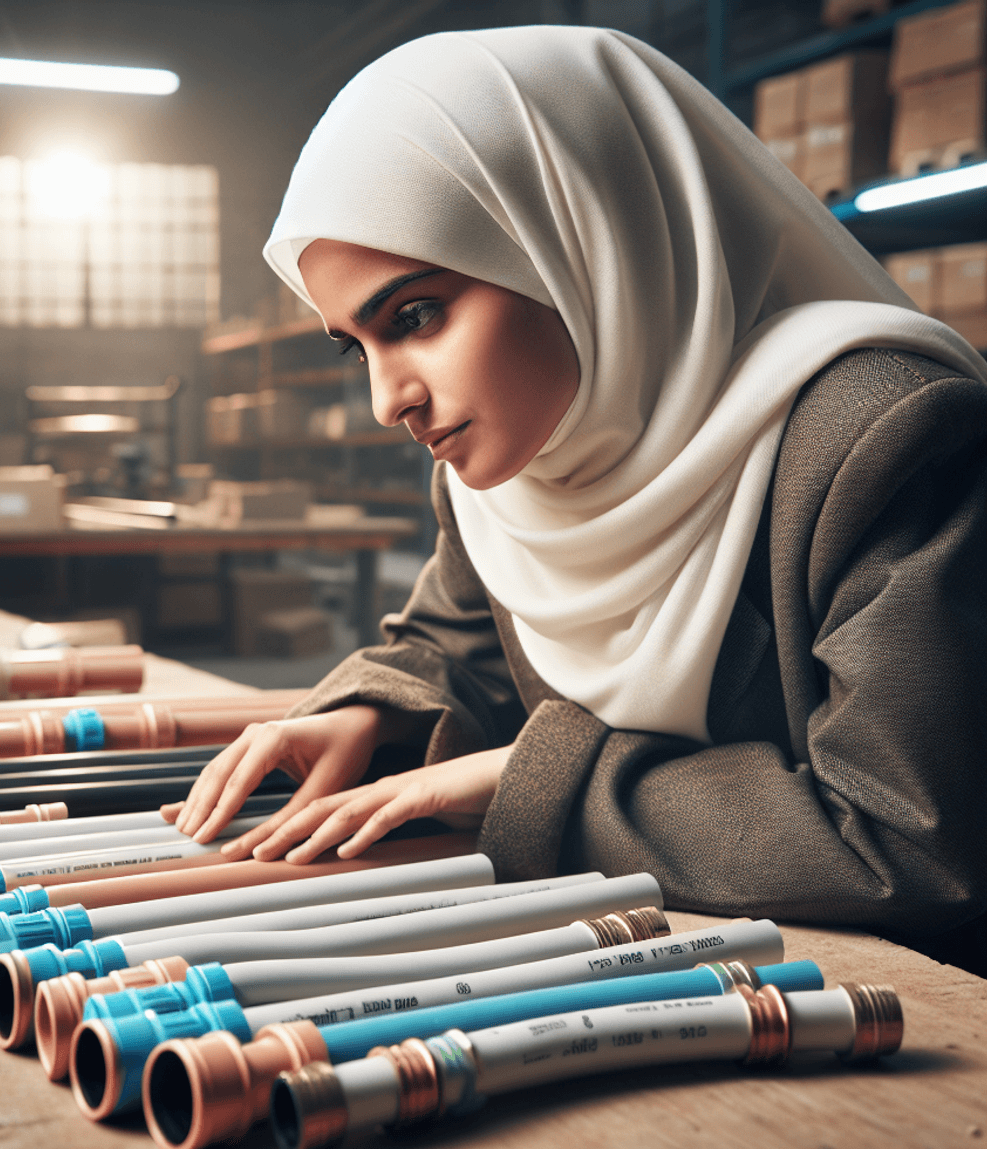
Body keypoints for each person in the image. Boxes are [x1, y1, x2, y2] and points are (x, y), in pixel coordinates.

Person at [177, 25, 987, 954]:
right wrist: (372, 711)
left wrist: (528, 780)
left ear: (581, 237)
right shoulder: (509, 468)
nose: (385, 400)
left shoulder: (881, 439)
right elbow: (456, 645)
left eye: (417, 315)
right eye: (354, 345)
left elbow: (911, 840)